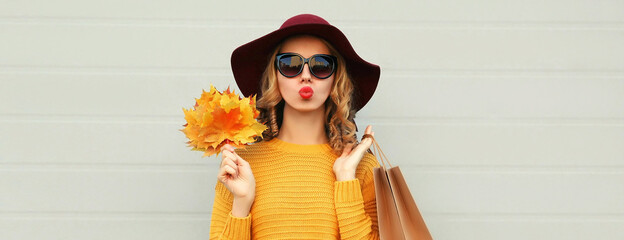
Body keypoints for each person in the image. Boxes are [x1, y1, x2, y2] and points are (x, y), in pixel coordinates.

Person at [209, 14, 381, 240]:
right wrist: (242, 204)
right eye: (291, 64)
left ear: (335, 79)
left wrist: (346, 180)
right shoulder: (240, 165)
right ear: (275, 76)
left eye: (321, 66)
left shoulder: (362, 167)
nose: (306, 76)